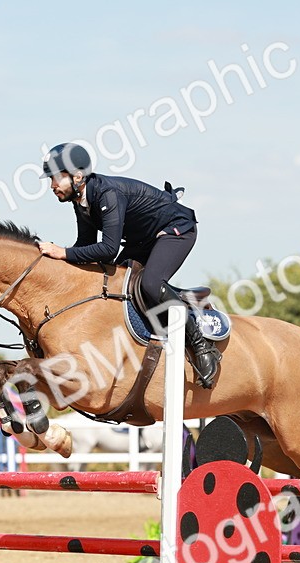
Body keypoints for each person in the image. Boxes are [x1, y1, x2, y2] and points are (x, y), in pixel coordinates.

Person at [36, 142, 221, 388]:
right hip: (143, 239)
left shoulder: (106, 194)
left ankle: (201, 345)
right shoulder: (81, 200)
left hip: (175, 230)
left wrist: (61, 252)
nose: (52, 186)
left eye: (56, 179)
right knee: (115, 283)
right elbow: (86, 246)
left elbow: (109, 249)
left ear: (77, 176)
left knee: (151, 284)